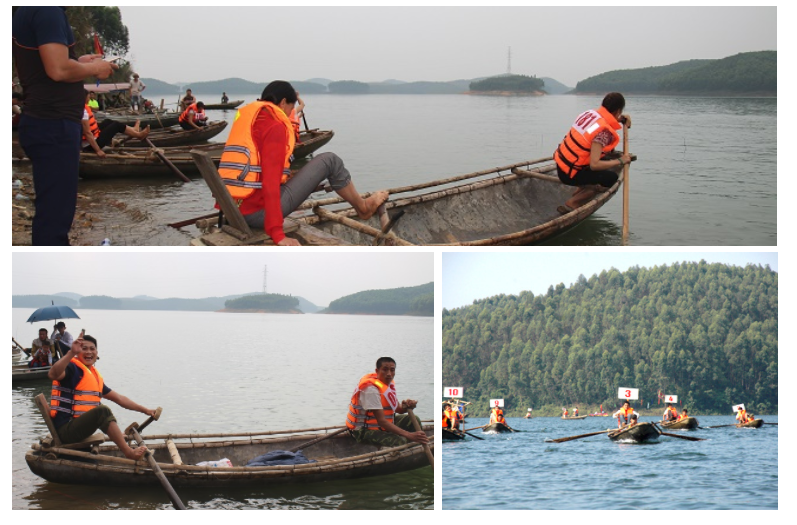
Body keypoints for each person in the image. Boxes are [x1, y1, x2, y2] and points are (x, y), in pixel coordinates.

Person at [218, 80, 389, 246]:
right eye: (292, 108)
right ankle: (364, 208)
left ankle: (362, 204)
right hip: (256, 215)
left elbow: (254, 170)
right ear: (283, 103)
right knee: (330, 160)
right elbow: (269, 184)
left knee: (302, 172)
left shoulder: (251, 119)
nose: (290, 113)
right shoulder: (274, 126)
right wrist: (277, 234)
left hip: (232, 210)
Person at [13, 7, 117, 245]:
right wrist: (95, 69)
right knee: (55, 218)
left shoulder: (25, 11)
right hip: (54, 124)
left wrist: (77, 62)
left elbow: (45, 64)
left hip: (44, 122)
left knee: (52, 210)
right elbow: (58, 70)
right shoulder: (46, 9)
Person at [48, 333, 153, 460]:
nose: (88, 352)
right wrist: (71, 352)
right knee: (102, 411)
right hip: (66, 431)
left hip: (79, 429)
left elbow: (120, 399)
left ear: (97, 353)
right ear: (77, 352)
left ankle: (119, 437)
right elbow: (53, 374)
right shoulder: (72, 368)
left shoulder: (93, 376)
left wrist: (145, 410)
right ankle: (129, 452)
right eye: (84, 348)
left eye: (92, 349)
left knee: (100, 408)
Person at [553, 92, 633, 214]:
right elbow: (594, 165)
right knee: (611, 178)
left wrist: (621, 119)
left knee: (604, 159)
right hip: (571, 174)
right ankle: (574, 201)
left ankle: (581, 187)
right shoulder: (603, 132)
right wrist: (621, 160)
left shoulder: (590, 114)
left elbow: (604, 121)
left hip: (563, 165)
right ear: (617, 111)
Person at [345, 357, 429, 448]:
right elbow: (382, 421)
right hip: (363, 431)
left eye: (392, 370)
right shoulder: (371, 390)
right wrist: (409, 435)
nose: (389, 374)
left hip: (381, 426)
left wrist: (407, 406)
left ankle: (415, 446)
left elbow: (398, 409)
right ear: (377, 371)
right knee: (401, 441)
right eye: (385, 370)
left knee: (413, 420)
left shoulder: (388, 384)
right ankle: (405, 448)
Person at [82, 90, 150, 156]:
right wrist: (98, 150)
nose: (89, 99)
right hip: (90, 145)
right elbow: (87, 133)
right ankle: (139, 135)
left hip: (94, 137)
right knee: (116, 125)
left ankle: (134, 130)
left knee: (107, 121)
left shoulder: (83, 107)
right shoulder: (82, 111)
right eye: (88, 97)